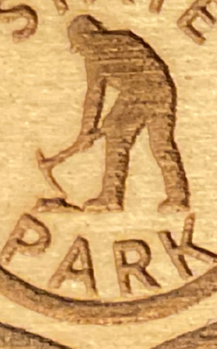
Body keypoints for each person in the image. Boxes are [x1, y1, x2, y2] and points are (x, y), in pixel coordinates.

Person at [63, 14, 191, 215]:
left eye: (77, 44)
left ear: (84, 37)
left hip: (139, 93)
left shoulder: (95, 53)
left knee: (115, 134)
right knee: (161, 145)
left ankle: (111, 197)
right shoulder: (124, 39)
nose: (79, 50)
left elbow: (95, 95)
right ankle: (178, 197)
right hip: (163, 90)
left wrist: (87, 130)